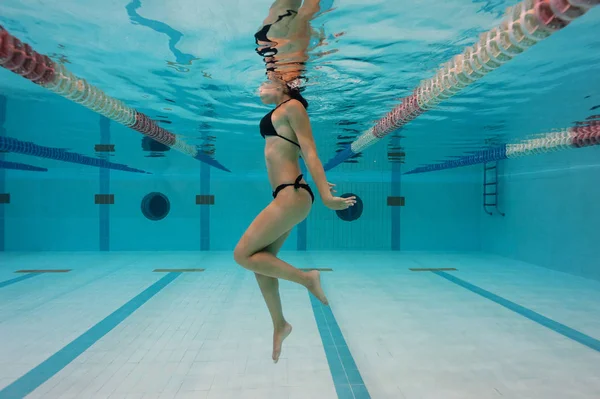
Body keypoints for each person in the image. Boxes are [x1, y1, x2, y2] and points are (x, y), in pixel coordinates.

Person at [233, 78, 356, 363]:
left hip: (293, 193)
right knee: (261, 263)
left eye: (265, 82)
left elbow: (310, 151)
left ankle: (307, 278)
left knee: (242, 254)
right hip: (285, 196)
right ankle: (280, 324)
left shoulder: (294, 107)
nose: (259, 88)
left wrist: (325, 195)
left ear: (284, 85)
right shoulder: (283, 110)